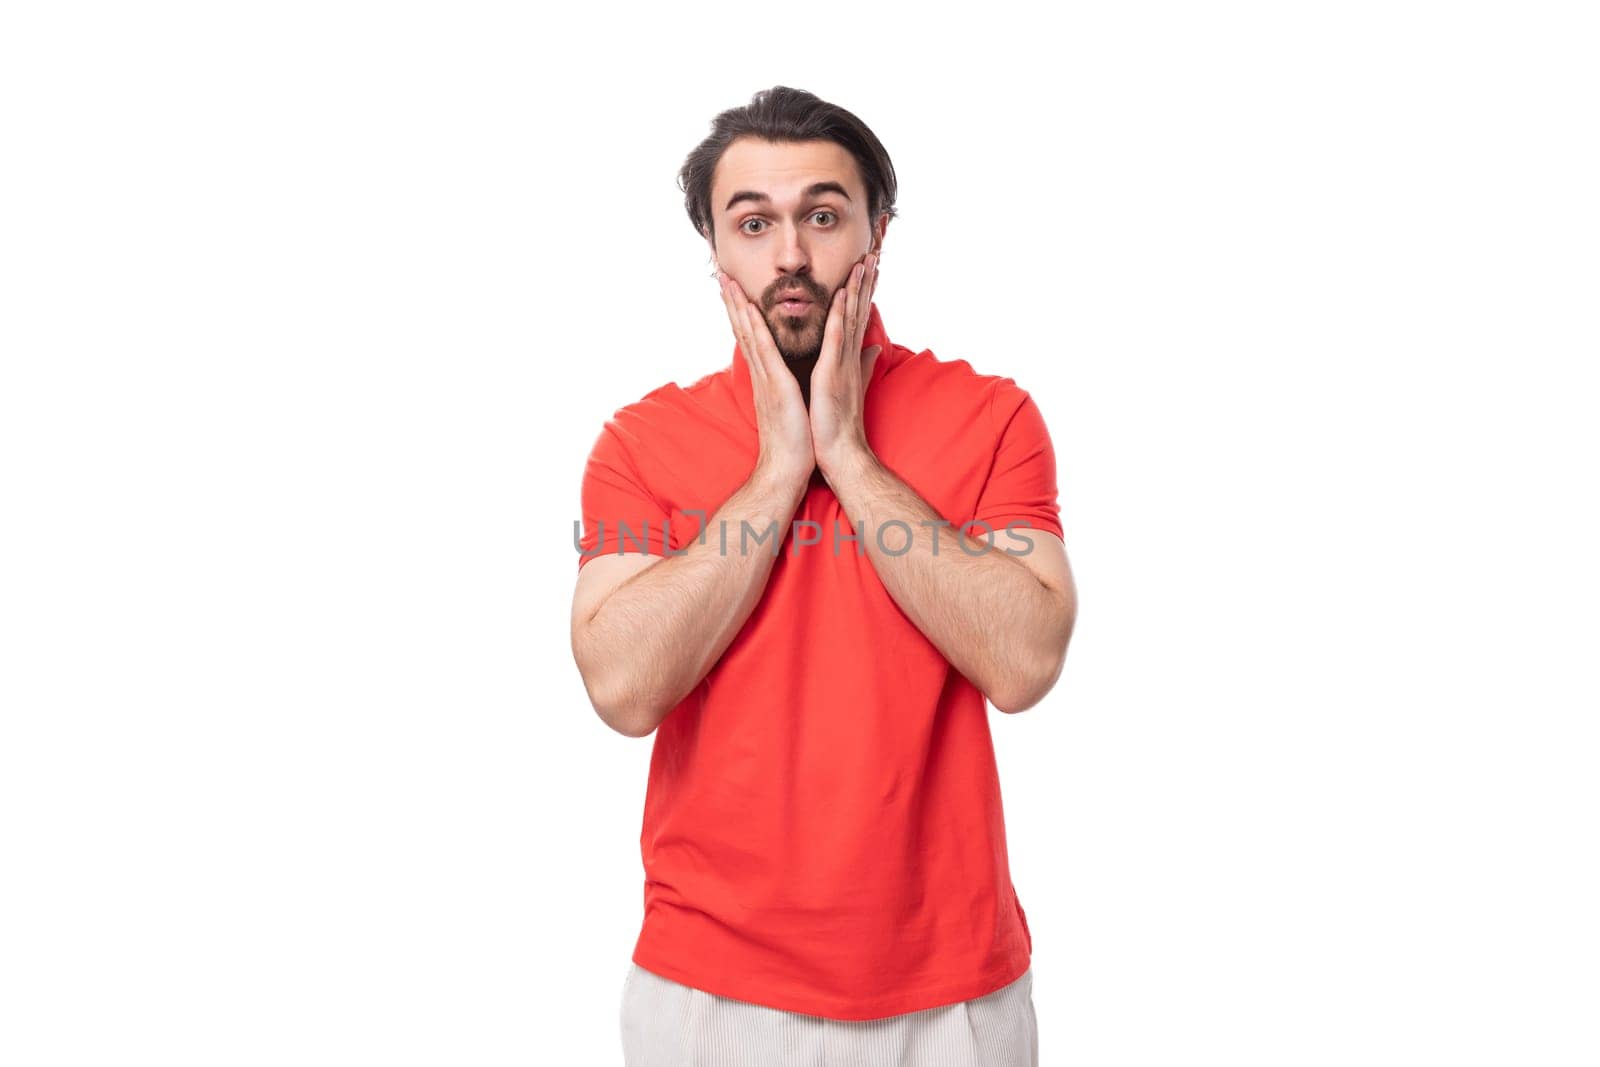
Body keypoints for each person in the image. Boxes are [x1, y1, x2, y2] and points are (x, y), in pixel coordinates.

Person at [570, 85, 1076, 1066]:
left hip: (952, 991)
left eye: (822, 215)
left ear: (876, 234)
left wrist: (848, 455)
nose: (790, 256)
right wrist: (774, 473)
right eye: (753, 223)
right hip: (709, 993)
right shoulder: (640, 442)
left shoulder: (992, 416)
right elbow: (624, 688)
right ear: (715, 252)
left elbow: (1022, 662)